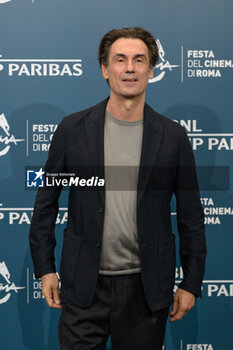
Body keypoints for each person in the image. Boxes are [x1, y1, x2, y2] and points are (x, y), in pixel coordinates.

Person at [29, 27, 206, 350]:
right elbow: (45, 204)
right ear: (104, 69)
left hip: (146, 290)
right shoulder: (71, 129)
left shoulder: (173, 136)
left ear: (151, 70)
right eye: (120, 60)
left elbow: (192, 218)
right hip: (83, 287)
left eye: (139, 60)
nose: (129, 68)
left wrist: (191, 283)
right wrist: (45, 269)